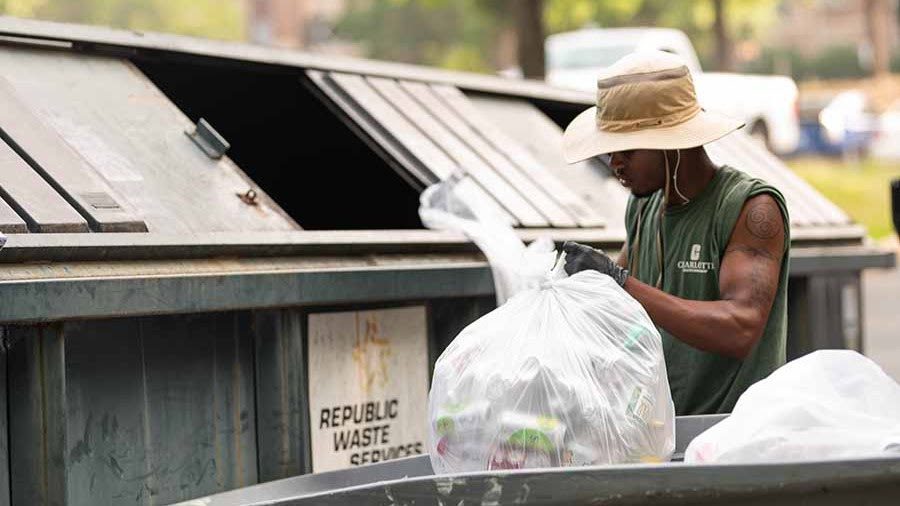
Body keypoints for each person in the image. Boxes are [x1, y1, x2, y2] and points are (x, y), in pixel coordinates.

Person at [561, 50, 790, 415]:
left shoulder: (750, 208)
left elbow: (741, 328)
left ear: (671, 141)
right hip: (660, 435)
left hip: (734, 439)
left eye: (626, 150)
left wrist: (619, 282)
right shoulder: (643, 207)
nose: (613, 163)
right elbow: (618, 304)